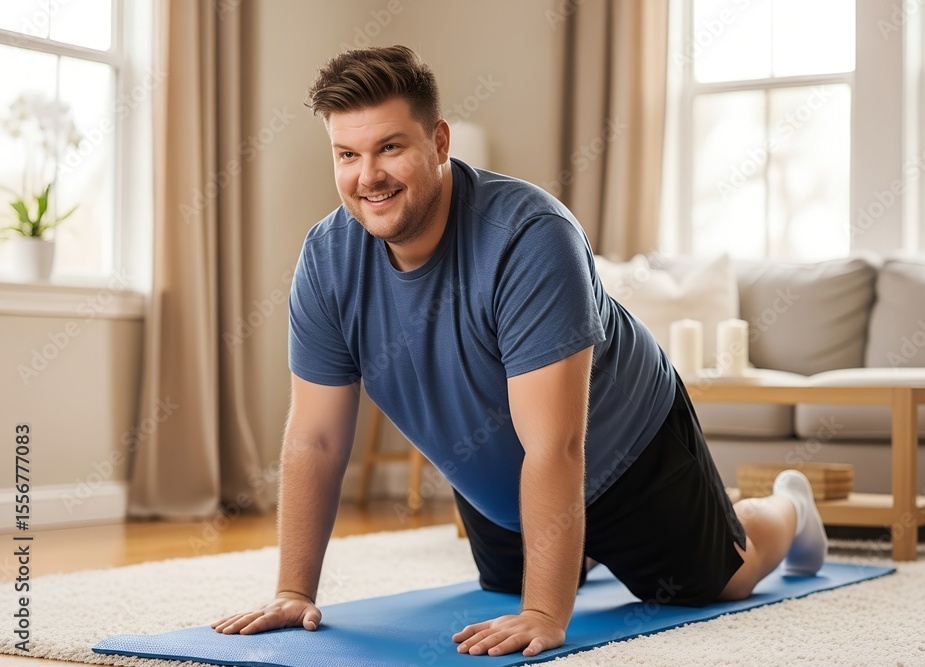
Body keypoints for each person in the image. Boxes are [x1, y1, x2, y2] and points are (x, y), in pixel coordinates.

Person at [210, 45, 828, 658]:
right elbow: (315, 438)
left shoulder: (530, 237)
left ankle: (789, 509)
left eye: (390, 147)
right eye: (348, 154)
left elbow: (556, 443)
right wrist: (293, 592)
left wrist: (545, 612)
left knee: (717, 581)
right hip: (499, 483)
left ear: (439, 142)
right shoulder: (327, 260)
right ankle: (576, 549)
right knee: (507, 586)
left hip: (625, 449)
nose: (368, 176)